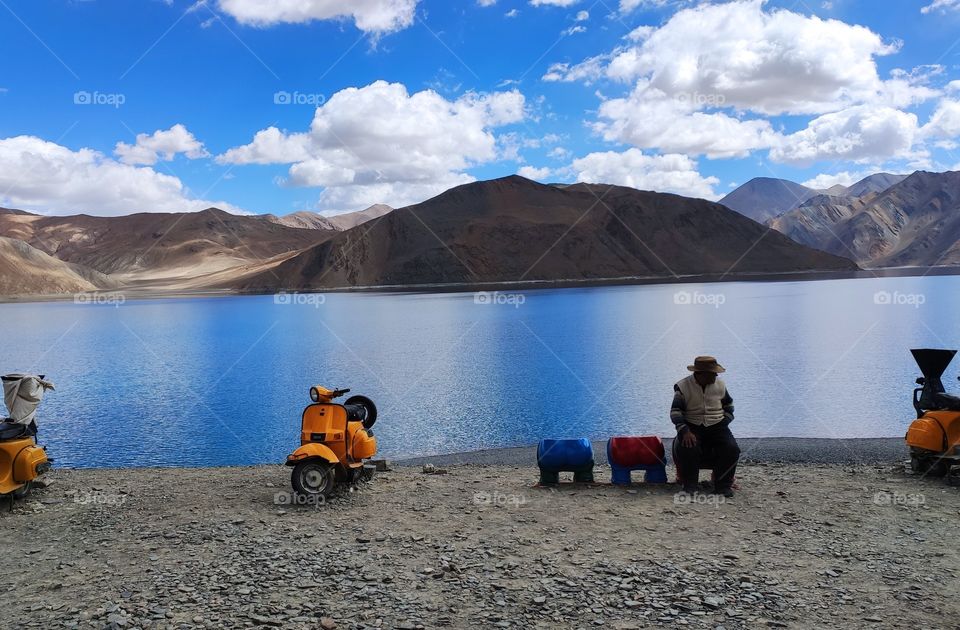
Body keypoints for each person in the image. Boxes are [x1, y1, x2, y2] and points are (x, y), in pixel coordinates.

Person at [670, 356, 740, 497]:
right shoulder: (683, 386)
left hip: (718, 425)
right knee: (688, 447)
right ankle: (690, 485)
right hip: (692, 425)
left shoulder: (720, 385)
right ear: (701, 374)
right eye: (713, 373)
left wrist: (724, 422)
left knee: (732, 449)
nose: (716, 376)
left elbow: (729, 406)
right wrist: (684, 431)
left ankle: (723, 486)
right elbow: (675, 412)